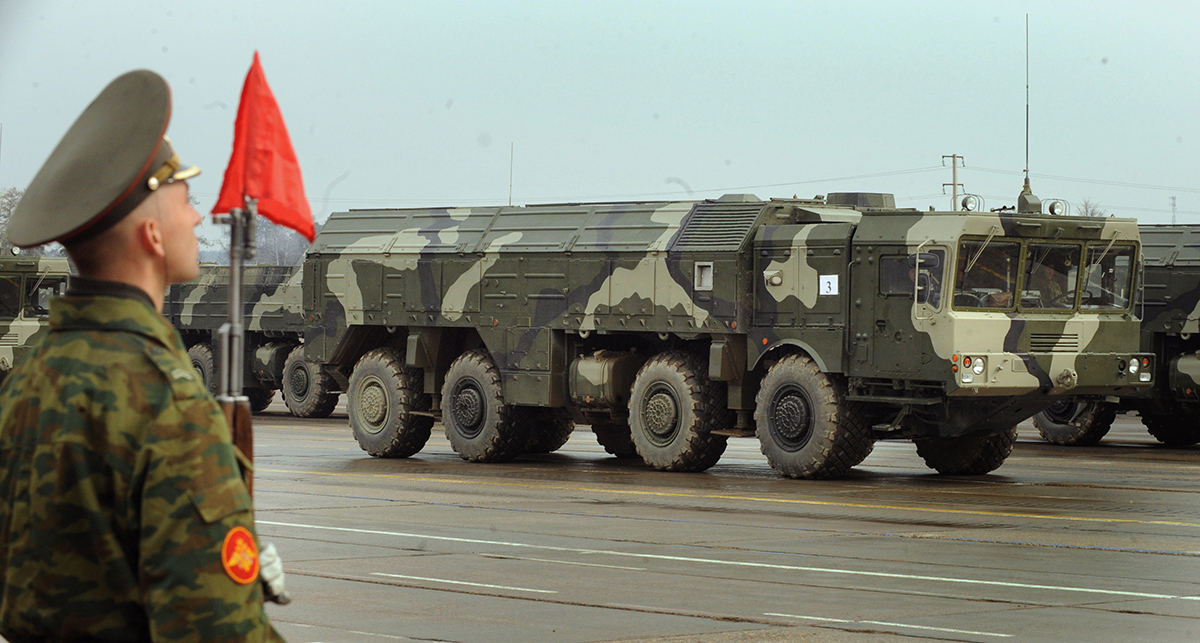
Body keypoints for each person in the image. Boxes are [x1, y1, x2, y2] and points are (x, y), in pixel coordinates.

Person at [0, 70, 287, 642]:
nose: (198, 217)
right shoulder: (169, 406)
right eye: (185, 196)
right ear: (152, 234)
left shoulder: (25, 382)